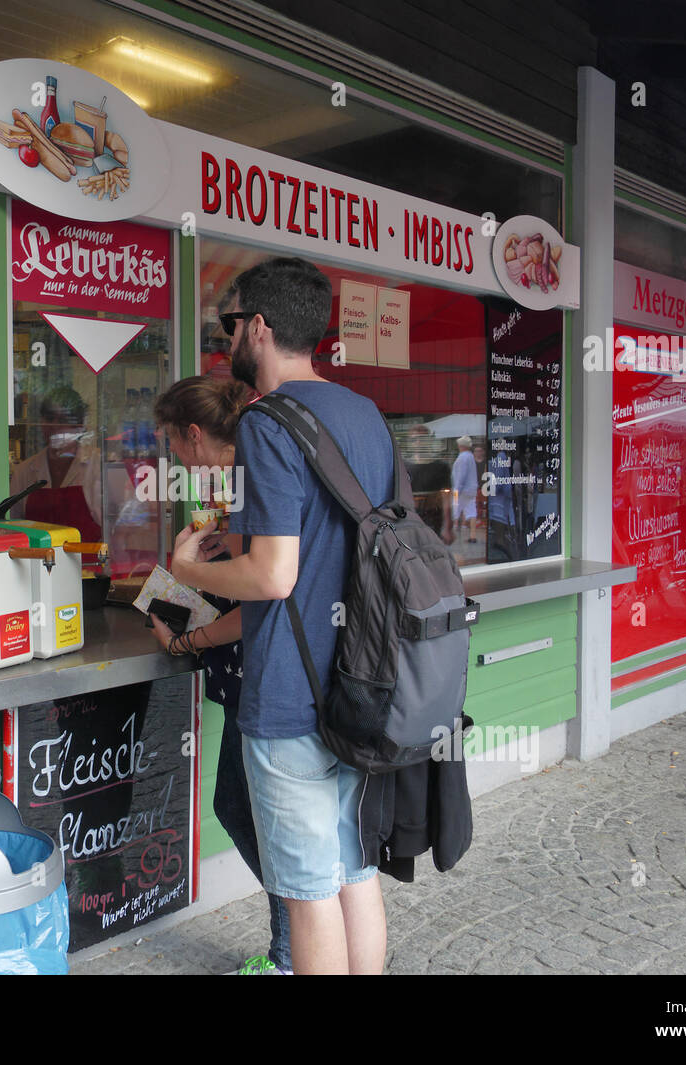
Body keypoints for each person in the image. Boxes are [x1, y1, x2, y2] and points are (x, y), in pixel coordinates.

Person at [169, 257, 392, 975]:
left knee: (306, 890)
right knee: (356, 870)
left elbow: (274, 574)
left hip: (293, 695)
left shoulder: (266, 423)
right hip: (362, 684)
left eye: (231, 322)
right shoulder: (365, 414)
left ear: (259, 327)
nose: (226, 335)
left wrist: (186, 570)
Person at [148, 374, 293, 976]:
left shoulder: (260, 477)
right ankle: (298, 941)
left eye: (172, 444)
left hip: (266, 682)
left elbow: (262, 598)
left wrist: (185, 630)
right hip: (265, 681)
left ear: (193, 435)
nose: (173, 458)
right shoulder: (253, 477)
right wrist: (222, 552)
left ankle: (292, 950)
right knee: (252, 811)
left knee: (249, 811)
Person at [8, 385, 103, 542]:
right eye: (50, 418)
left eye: (63, 420)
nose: (55, 426)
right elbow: (13, 529)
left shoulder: (97, 464)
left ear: (80, 426)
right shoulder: (24, 471)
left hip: (88, 564)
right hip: (38, 563)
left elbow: (113, 526)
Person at [451, 435, 478, 543]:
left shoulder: (462, 457)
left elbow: (460, 475)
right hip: (471, 489)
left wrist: (456, 489)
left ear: (461, 446)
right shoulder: (470, 456)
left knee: (456, 508)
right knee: (471, 511)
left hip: (461, 490)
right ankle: (473, 535)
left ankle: (454, 530)